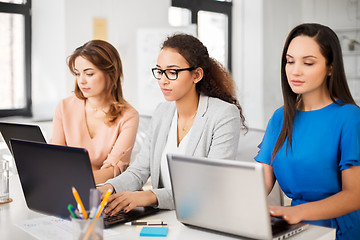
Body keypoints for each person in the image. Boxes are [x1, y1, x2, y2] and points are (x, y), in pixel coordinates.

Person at [98, 33, 247, 214]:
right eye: (160, 71)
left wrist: (150, 196)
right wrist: (108, 188)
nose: (163, 80)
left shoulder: (223, 115)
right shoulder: (162, 112)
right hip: (164, 216)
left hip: (204, 216)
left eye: (172, 72)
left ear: (197, 75)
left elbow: (210, 186)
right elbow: (138, 171)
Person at [255, 23, 360, 240]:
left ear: (331, 67)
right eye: (290, 61)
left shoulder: (349, 117)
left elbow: (355, 195)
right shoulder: (280, 117)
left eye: (308, 62)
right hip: (293, 227)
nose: (295, 71)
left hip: (336, 229)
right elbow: (261, 182)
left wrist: (295, 212)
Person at [51, 40, 139, 185]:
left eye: (89, 74)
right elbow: (56, 158)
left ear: (110, 74)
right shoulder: (64, 107)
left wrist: (73, 181)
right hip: (65, 188)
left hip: (104, 192)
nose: (81, 81)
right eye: (77, 74)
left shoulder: (129, 116)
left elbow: (113, 170)